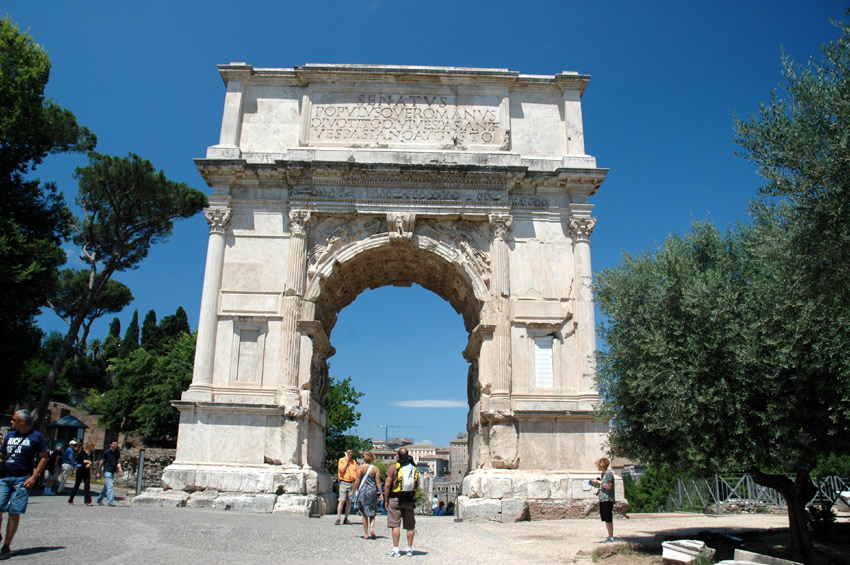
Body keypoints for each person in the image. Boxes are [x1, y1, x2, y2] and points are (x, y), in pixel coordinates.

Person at [0, 409, 49, 560]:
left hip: (23, 479)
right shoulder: (9, 435)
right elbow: (1, 454)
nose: (11, 422)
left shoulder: (36, 437)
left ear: (22, 421)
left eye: (14, 420)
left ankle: (6, 546)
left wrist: (34, 476)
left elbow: (43, 457)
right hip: (4, 477)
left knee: (14, 511)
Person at [384, 448, 419, 558]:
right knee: (410, 526)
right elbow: (416, 485)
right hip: (408, 498)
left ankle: (396, 550)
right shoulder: (413, 468)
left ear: (397, 456)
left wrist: (386, 499)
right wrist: (414, 497)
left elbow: (387, 485)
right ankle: (409, 549)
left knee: (395, 525)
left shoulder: (393, 468)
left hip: (395, 499)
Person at [353, 451, 382, 539]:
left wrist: (353, 490)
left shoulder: (360, 468)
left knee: (364, 513)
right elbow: (378, 482)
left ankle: (366, 533)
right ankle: (372, 529)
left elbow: (357, 480)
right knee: (372, 512)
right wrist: (381, 493)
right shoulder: (375, 468)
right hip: (372, 490)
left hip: (362, 490)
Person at [591, 457, 615, 543]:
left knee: (608, 518)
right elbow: (603, 486)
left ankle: (611, 537)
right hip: (603, 499)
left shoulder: (608, 474)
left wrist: (599, 482)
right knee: (605, 518)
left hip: (608, 499)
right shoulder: (603, 474)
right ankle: (609, 536)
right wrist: (598, 490)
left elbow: (609, 486)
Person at [95, 441, 122, 506]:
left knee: (106, 487)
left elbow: (118, 461)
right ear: (110, 445)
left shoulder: (117, 453)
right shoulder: (107, 452)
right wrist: (98, 471)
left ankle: (98, 499)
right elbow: (101, 461)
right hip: (107, 470)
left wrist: (119, 468)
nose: (115, 445)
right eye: (113, 444)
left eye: (115, 444)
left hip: (113, 471)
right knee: (110, 486)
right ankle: (110, 501)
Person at [335, 447, 356, 525]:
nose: (350, 454)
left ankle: (346, 518)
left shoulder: (354, 462)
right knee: (341, 500)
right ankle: (338, 518)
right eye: (348, 452)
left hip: (352, 483)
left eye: (351, 452)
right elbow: (342, 470)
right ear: (346, 453)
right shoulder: (341, 460)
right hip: (344, 482)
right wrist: (347, 461)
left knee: (349, 502)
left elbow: (355, 472)